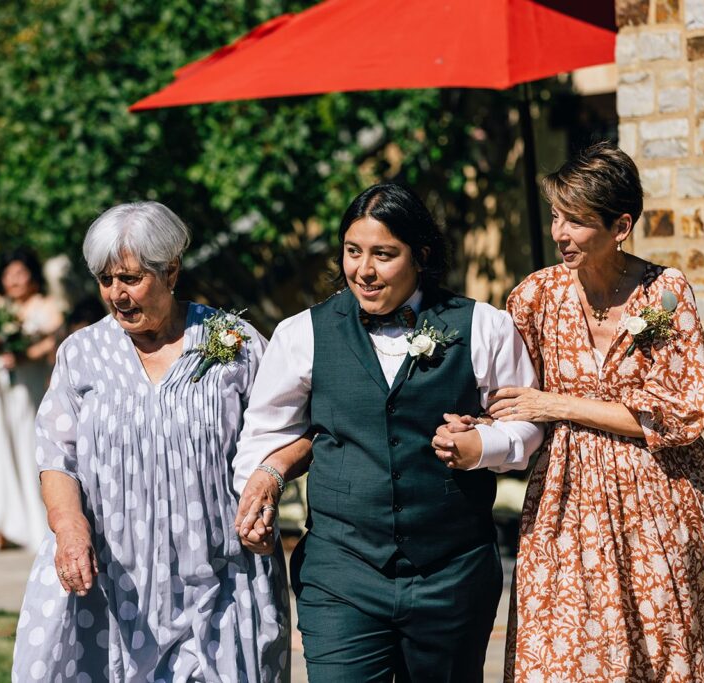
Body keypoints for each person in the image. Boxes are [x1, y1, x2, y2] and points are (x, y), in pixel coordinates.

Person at [447, 141, 704, 681]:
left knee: (665, 648)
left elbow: (679, 415)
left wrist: (557, 403)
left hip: (664, 503)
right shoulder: (535, 296)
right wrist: (480, 424)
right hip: (567, 502)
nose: (559, 234)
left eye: (576, 221)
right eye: (556, 216)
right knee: (567, 655)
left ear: (620, 226)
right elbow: (516, 399)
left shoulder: (666, 294)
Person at [232, 183, 544, 682]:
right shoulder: (302, 334)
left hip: (453, 575)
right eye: (353, 252)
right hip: (341, 575)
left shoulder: (483, 325)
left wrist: (481, 446)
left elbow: (528, 424)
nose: (364, 270)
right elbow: (264, 434)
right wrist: (262, 480)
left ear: (420, 255)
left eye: (384, 254)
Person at [11, 202, 303, 682]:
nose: (116, 294)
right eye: (106, 280)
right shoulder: (81, 355)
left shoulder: (235, 342)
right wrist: (69, 529)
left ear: (171, 271)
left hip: (222, 576)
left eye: (130, 278)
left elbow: (286, 430)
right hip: (112, 583)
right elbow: (56, 455)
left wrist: (267, 486)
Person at [0, 247, 62, 553]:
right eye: (9, 275)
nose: (15, 281)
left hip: (28, 385)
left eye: (20, 274)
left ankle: (34, 524)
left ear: (32, 276)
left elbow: (54, 339)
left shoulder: (46, 305)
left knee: (28, 448)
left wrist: (24, 355)